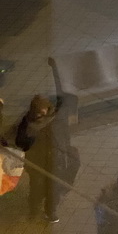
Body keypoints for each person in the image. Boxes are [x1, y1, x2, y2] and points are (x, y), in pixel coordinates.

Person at [15, 95, 77, 223]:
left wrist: (64, 151)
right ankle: (34, 211)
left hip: (54, 159)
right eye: (37, 112)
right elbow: (20, 142)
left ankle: (50, 211)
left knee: (53, 187)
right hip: (36, 160)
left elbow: (64, 137)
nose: (40, 115)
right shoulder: (27, 122)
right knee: (36, 187)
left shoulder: (55, 120)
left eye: (42, 111)